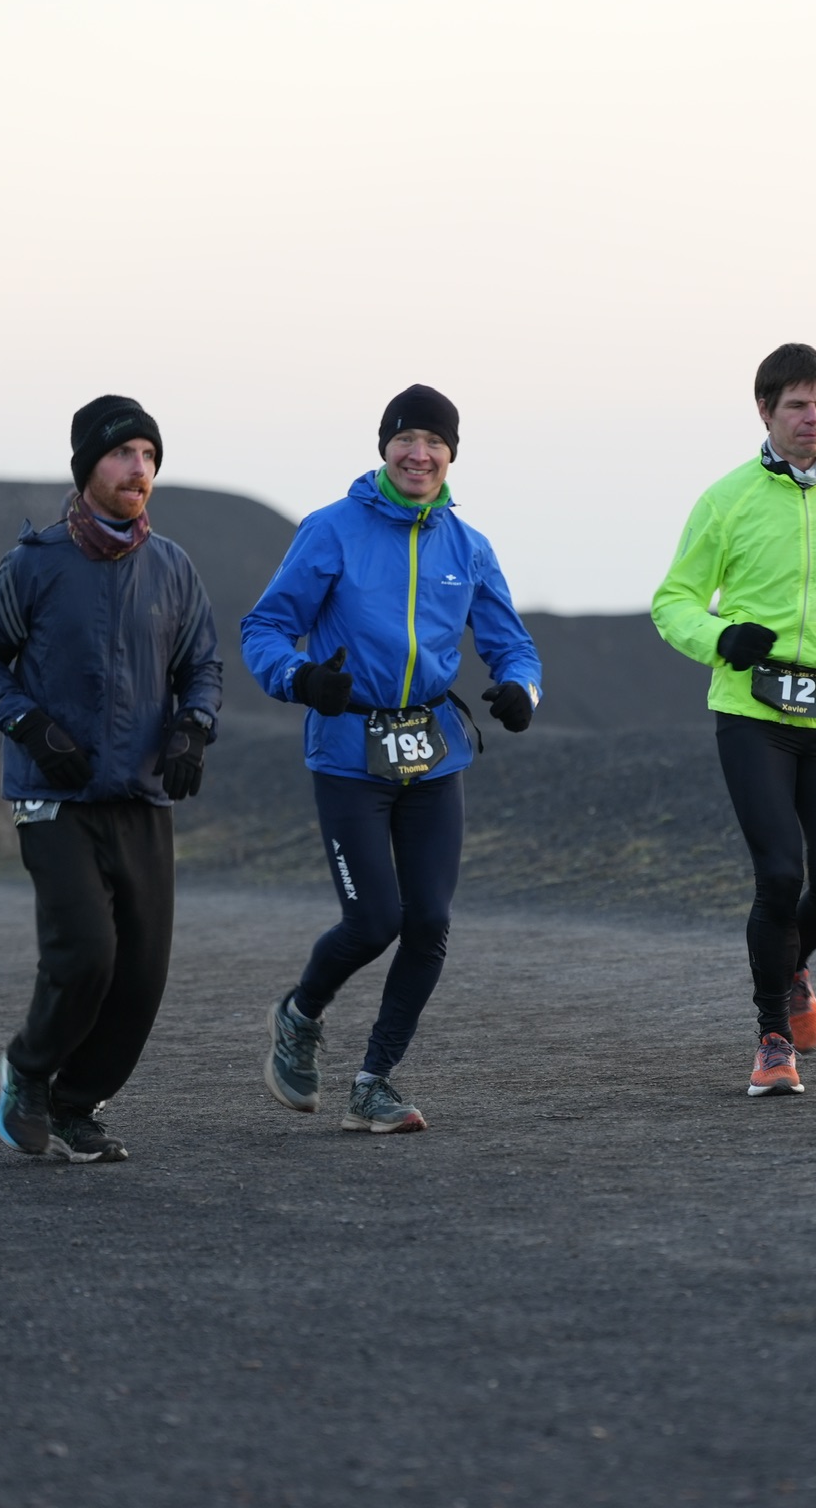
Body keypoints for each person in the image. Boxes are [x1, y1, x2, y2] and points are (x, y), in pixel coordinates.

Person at [243, 384, 542, 1134]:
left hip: (433, 755)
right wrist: (301, 679)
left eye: (434, 442)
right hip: (350, 751)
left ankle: (374, 1081)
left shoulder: (468, 546)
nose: (419, 454)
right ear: (384, 447)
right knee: (374, 919)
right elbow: (265, 628)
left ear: (451, 454)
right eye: (406, 439)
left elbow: (513, 644)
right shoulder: (331, 530)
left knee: (429, 921)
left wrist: (521, 689)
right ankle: (300, 1014)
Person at [0, 395, 223, 1162]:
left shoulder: (173, 567)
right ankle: (27, 1072)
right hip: (55, 794)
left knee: (141, 977)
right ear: (86, 469)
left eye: (149, 456)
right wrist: (32, 728)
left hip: (141, 794)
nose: (138, 469)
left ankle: (75, 1106)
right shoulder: (35, 563)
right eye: (122, 454)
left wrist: (192, 727)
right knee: (86, 955)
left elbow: (202, 665)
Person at [651, 344, 816, 1098]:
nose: (812, 418)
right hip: (752, 711)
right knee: (778, 874)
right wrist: (720, 638)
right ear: (765, 411)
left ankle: (792, 966)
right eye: (797, 405)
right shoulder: (725, 499)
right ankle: (772, 1039)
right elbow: (673, 601)